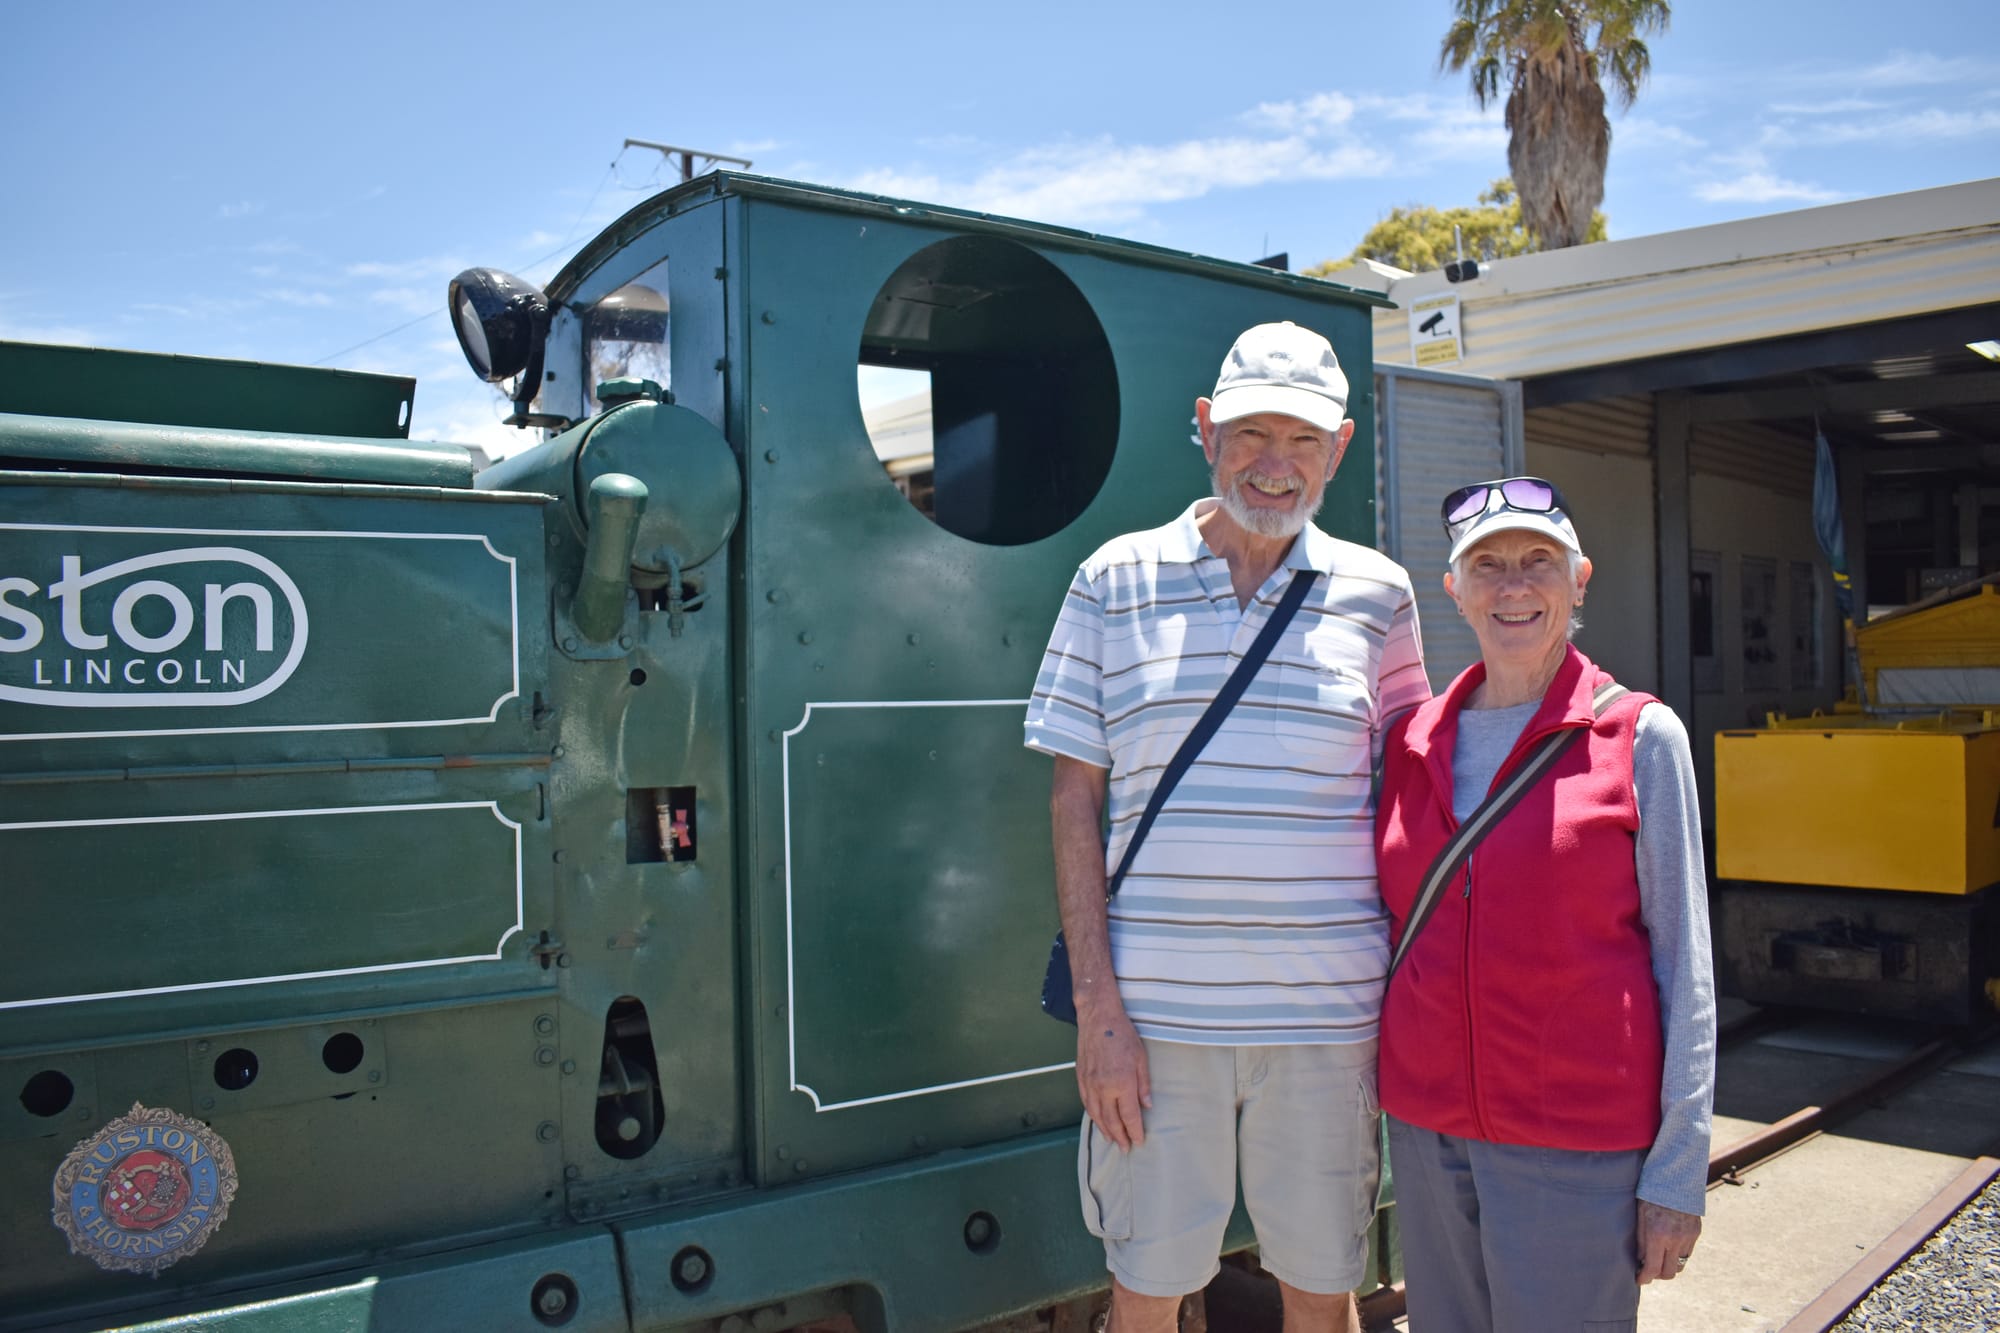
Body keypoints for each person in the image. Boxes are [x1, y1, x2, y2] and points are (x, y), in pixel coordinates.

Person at [1023, 322, 1430, 1332]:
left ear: (1337, 448)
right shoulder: (1111, 579)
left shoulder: (1380, 596)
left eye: (1300, 441)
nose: (1274, 465)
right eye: (1250, 434)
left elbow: (1410, 802)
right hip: (1155, 1026)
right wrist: (1099, 1014)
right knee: (1146, 1295)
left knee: (1320, 1292)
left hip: (1328, 1025)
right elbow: (1073, 796)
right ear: (1204, 431)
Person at [1374, 477, 1717, 1332]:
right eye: (1487, 565)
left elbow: (1686, 965)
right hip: (1427, 1134)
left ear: (1579, 579)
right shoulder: (1412, 744)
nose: (1514, 585)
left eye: (1538, 562)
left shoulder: (1639, 737)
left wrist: (1676, 1170)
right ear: (1453, 588)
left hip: (1576, 1145)